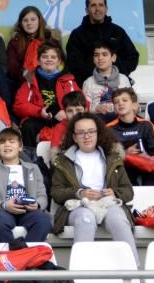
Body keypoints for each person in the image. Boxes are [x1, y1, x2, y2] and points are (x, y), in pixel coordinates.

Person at [52, 113, 138, 264]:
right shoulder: (63, 160)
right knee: (86, 219)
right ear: (74, 137)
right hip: (78, 206)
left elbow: (128, 191)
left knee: (118, 219)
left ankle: (134, 273)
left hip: (107, 203)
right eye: (81, 132)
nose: (87, 136)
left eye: (91, 131)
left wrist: (114, 192)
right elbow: (56, 192)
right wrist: (80, 193)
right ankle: (80, 275)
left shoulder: (113, 157)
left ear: (98, 133)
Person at [0, 128, 52, 244]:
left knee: (43, 221)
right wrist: (4, 204)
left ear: (20, 147)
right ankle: (13, 254)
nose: (7, 144)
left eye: (12, 141)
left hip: (29, 211)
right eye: (2, 142)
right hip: (3, 210)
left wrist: (37, 204)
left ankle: (23, 255)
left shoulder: (33, 168)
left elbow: (42, 196)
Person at [13, 43, 80, 146]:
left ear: (59, 61)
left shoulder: (68, 80)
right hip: (39, 118)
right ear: (39, 61)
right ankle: (31, 158)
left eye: (53, 57)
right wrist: (39, 111)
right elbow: (19, 106)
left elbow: (81, 102)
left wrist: (67, 112)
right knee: (28, 126)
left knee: (74, 124)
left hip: (62, 118)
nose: (49, 59)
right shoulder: (30, 81)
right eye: (45, 57)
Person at [65, 0, 139, 85]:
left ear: (106, 9)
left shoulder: (118, 31)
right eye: (93, 5)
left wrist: (115, 73)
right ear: (86, 10)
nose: (97, 9)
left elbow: (132, 56)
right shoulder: (77, 34)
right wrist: (95, 77)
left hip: (117, 83)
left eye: (101, 5)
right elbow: (73, 63)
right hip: (88, 85)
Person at [106, 87, 154, 186]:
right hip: (122, 167)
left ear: (134, 105)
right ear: (114, 108)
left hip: (146, 165)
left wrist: (143, 158)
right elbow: (106, 156)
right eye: (116, 102)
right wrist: (125, 154)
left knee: (152, 175)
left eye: (125, 100)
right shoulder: (108, 129)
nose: (120, 103)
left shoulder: (146, 125)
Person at [6, 5, 62, 88]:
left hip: (49, 82)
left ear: (39, 21)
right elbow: (12, 67)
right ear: (21, 23)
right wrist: (25, 74)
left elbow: (61, 63)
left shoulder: (51, 40)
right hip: (22, 82)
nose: (29, 23)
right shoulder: (15, 42)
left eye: (33, 19)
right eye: (25, 20)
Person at [82, 41, 132, 118]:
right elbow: (84, 108)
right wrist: (96, 108)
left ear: (113, 58)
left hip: (121, 120)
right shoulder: (88, 82)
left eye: (104, 54)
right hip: (99, 122)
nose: (100, 58)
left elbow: (132, 102)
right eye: (96, 55)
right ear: (93, 59)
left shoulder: (123, 79)